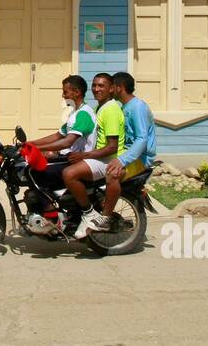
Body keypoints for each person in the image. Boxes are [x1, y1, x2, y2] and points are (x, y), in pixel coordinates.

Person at [76, 70, 156, 238]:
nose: (101, 90)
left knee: (112, 173)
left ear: (118, 88)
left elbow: (141, 139)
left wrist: (121, 160)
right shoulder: (123, 107)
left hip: (140, 158)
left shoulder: (138, 107)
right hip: (127, 154)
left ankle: (105, 218)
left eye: (110, 87)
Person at [57, 73, 124, 218]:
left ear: (111, 89)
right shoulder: (99, 108)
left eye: (101, 86)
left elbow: (112, 147)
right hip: (97, 156)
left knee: (69, 174)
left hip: (108, 160)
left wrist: (83, 155)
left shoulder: (110, 110)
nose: (96, 89)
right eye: (94, 85)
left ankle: (89, 213)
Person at [28, 75, 97, 160]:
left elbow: (67, 142)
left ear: (77, 92)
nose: (63, 95)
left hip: (78, 160)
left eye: (65, 92)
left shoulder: (84, 114)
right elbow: (57, 136)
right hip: (69, 156)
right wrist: (30, 143)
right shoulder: (75, 113)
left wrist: (37, 148)